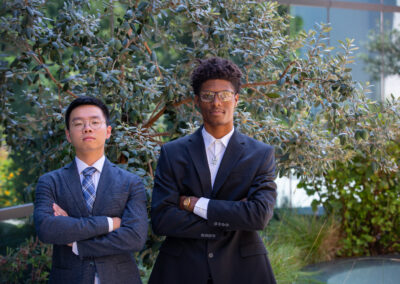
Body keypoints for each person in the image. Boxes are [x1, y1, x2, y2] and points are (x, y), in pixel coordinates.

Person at [149, 57, 277, 284]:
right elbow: (162, 219)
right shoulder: (173, 152)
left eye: (225, 95)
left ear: (236, 99)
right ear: (197, 101)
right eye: (208, 96)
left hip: (243, 269)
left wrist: (193, 204)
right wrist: (234, 217)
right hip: (181, 269)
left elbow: (258, 216)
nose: (217, 102)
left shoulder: (260, 154)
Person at [34, 96, 147, 284]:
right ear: (68, 135)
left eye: (95, 122)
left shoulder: (130, 182)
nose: (87, 128)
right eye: (78, 124)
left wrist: (78, 243)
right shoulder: (50, 182)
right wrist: (110, 224)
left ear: (108, 131)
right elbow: (47, 229)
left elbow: (135, 237)